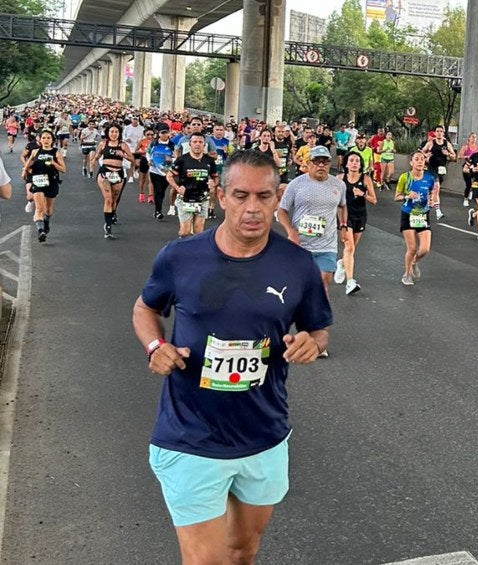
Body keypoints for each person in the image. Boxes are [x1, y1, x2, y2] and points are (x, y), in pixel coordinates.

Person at [132, 149, 331, 564]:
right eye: (240, 196)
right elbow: (145, 307)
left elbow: (318, 329)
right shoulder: (180, 256)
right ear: (220, 197)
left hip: (263, 433)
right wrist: (156, 347)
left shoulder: (297, 264)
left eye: (263, 196)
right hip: (190, 434)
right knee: (207, 561)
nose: (252, 208)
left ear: (278, 198)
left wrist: (313, 343)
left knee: (243, 551)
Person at [276, 146, 351, 300]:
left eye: (325, 162)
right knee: (300, 285)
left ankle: (318, 320)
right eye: (317, 162)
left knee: (322, 283)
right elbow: (282, 210)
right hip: (301, 245)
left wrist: (343, 225)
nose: (321, 165)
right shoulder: (296, 184)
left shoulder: (339, 185)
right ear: (308, 163)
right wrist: (290, 231)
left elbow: (342, 206)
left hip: (327, 245)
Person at [395, 151, 439, 285]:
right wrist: (407, 196)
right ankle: (407, 274)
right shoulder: (404, 177)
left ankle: (414, 262)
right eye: (417, 159)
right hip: (408, 214)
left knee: (425, 249)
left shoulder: (429, 178)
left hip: (422, 215)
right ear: (411, 162)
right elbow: (397, 196)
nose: (420, 161)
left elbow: (433, 193)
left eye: (422, 159)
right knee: (412, 248)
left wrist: (432, 201)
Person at [340, 152, 377, 294]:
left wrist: (363, 194)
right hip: (345, 216)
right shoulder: (340, 179)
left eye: (357, 161)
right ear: (347, 164)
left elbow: (374, 200)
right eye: (351, 160)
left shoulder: (366, 179)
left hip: (360, 216)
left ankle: (342, 263)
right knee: (349, 247)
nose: (354, 163)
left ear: (361, 164)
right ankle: (350, 282)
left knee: (351, 249)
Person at [168, 132, 218, 238]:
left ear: (204, 145)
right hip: (185, 198)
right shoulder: (182, 160)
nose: (197, 144)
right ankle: (182, 247)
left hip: (202, 198)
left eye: (200, 142)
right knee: (185, 232)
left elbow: (215, 177)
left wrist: (214, 183)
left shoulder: (209, 161)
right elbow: (169, 176)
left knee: (198, 232)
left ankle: (194, 253)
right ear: (190, 144)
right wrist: (177, 188)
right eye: (195, 142)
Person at [92, 123, 136, 239]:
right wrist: (94, 161)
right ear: (107, 133)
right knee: (108, 199)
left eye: (116, 132)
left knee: (114, 199)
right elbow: (97, 155)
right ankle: (107, 225)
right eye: (112, 132)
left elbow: (132, 159)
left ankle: (112, 214)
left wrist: (124, 155)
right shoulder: (103, 144)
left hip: (118, 173)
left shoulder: (123, 145)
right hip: (105, 173)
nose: (114, 134)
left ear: (119, 133)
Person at [22, 130, 65, 242]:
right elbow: (29, 161)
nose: (46, 140)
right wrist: (25, 171)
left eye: (48, 138)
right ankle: (41, 231)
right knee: (39, 207)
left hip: (52, 181)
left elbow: (63, 169)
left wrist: (54, 163)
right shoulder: (35, 152)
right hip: (38, 180)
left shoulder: (56, 153)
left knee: (48, 209)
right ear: (40, 140)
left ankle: (46, 222)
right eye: (44, 138)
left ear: (52, 140)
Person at [421, 125, 455, 220]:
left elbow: (454, 156)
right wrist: (426, 155)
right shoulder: (431, 143)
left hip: (442, 169)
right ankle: (438, 212)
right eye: (437, 131)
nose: (439, 133)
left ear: (443, 133)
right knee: (436, 187)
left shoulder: (446, 144)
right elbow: (421, 152)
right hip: (432, 168)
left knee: (434, 190)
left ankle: (426, 205)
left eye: (441, 131)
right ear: (435, 133)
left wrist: (447, 154)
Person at [147, 125, 176, 221]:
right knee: (158, 190)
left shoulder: (172, 145)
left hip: (167, 171)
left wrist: (170, 160)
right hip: (154, 170)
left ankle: (157, 209)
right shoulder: (153, 144)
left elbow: (176, 157)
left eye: (166, 132)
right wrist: (149, 160)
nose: (164, 135)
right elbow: (148, 153)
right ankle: (158, 211)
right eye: (162, 133)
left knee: (162, 191)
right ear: (158, 134)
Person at [458, 132, 478, 206]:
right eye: (472, 137)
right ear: (469, 138)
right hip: (466, 167)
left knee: (476, 182)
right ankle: (465, 199)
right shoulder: (466, 147)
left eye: (475, 137)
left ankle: (471, 191)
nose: (474, 139)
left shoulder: (477, 148)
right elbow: (459, 156)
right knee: (468, 184)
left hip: (474, 167)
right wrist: (466, 157)